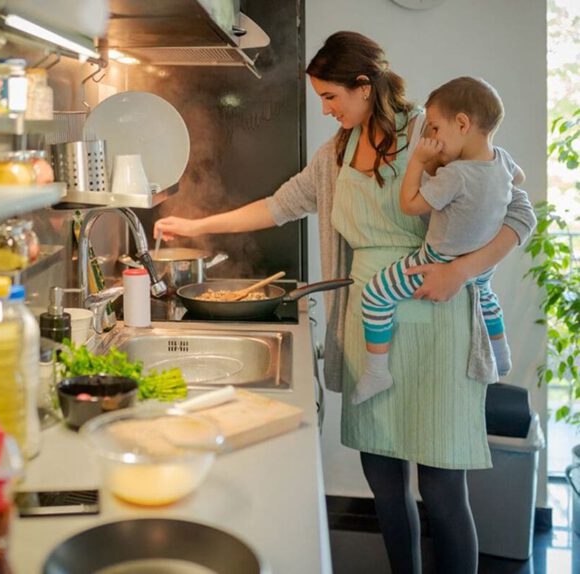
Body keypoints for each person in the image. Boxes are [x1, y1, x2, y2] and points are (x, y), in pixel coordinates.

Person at [154, 31, 535, 574]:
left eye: (331, 97)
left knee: (443, 488)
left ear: (364, 85)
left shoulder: (428, 131)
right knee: (384, 486)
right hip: (370, 323)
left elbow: (518, 211)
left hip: (438, 320)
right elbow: (279, 205)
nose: (326, 110)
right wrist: (196, 225)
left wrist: (460, 271)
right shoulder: (335, 154)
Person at [355, 77, 525, 405]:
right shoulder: (502, 160)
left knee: (375, 294)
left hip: (437, 259)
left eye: (434, 128)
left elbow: (410, 205)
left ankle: (377, 372)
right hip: (481, 263)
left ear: (462, 123)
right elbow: (520, 179)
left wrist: (418, 162)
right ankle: (501, 356)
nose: (431, 137)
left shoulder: (455, 175)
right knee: (486, 296)